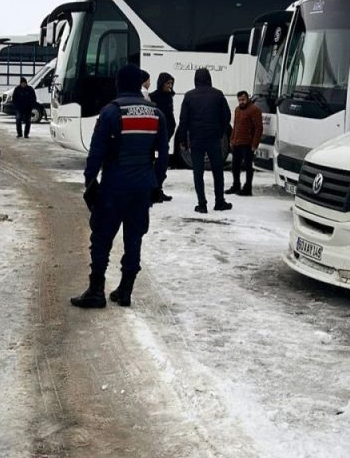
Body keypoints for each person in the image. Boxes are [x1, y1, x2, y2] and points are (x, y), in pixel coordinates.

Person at [71, 64, 169, 309]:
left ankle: (96, 291)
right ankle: (125, 291)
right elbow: (164, 154)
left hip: (114, 187)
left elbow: (96, 154)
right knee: (134, 238)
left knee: (102, 239)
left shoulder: (111, 112)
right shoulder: (156, 113)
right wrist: (156, 183)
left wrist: (90, 182)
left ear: (119, 84)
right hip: (142, 188)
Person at [176, 68, 232, 214]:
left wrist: (183, 139)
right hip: (214, 139)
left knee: (198, 172)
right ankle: (219, 201)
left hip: (196, 139)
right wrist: (220, 132)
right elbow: (226, 116)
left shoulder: (189, 96)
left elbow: (183, 120)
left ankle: (202, 204)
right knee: (217, 171)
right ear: (209, 78)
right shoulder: (218, 94)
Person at [227, 91, 263, 196]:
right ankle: (236, 185)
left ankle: (248, 188)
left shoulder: (254, 110)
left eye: (243, 99)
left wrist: (254, 144)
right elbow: (235, 126)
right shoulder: (237, 110)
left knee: (248, 166)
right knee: (235, 166)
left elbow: (258, 128)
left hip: (248, 143)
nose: (241, 102)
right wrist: (232, 139)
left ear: (248, 98)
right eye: (239, 100)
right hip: (237, 142)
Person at [148, 72, 176, 203]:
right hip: (155, 134)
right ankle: (153, 190)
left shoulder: (169, 97)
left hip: (165, 134)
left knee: (163, 164)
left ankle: (158, 189)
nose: (169, 86)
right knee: (153, 163)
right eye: (167, 83)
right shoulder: (153, 97)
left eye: (171, 84)